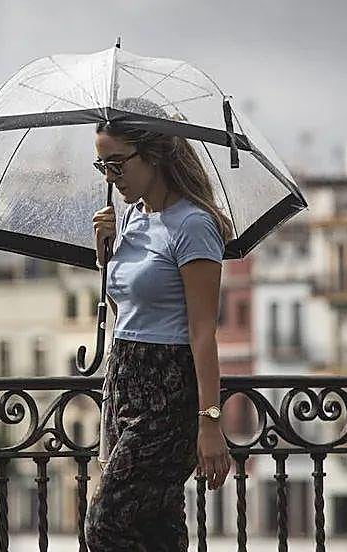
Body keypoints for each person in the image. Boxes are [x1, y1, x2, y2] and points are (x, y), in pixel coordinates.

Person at [84, 113, 234, 551]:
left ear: (153, 155)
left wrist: (209, 423)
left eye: (117, 164)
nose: (112, 178)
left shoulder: (193, 226)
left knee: (104, 526)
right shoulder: (128, 219)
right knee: (157, 527)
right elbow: (126, 308)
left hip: (167, 390)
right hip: (125, 378)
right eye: (102, 167)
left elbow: (203, 330)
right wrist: (103, 255)